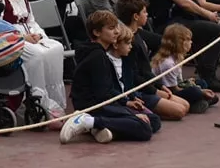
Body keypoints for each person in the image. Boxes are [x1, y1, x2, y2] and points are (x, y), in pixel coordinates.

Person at [60, 10, 160, 144]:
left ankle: (102, 128)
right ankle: (87, 121)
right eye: (111, 28)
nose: (117, 32)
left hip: (103, 103)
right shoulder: (98, 56)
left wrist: (126, 103)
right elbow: (102, 95)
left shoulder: (99, 53)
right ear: (97, 32)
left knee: (153, 120)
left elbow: (107, 90)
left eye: (116, 27)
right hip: (93, 106)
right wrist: (129, 113)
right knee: (144, 128)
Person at [0, 0, 67, 109]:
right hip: (10, 41)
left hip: (30, 36)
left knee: (56, 47)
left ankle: (54, 102)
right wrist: (23, 37)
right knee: (37, 54)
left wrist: (39, 35)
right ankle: (36, 100)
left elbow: (32, 22)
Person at [114, 0, 194, 118]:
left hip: (148, 84)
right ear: (135, 16)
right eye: (144, 12)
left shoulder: (139, 35)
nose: (147, 15)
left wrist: (159, 85)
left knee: (185, 105)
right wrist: (155, 91)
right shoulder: (127, 42)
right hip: (139, 90)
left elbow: (146, 70)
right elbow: (133, 76)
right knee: (180, 111)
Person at [148, 23, 217, 110]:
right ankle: (193, 103)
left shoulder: (177, 57)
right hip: (167, 91)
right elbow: (173, 89)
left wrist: (189, 82)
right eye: (188, 40)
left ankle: (198, 101)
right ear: (179, 43)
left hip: (175, 86)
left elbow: (179, 81)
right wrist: (200, 91)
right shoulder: (168, 63)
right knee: (195, 92)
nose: (191, 42)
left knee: (202, 83)